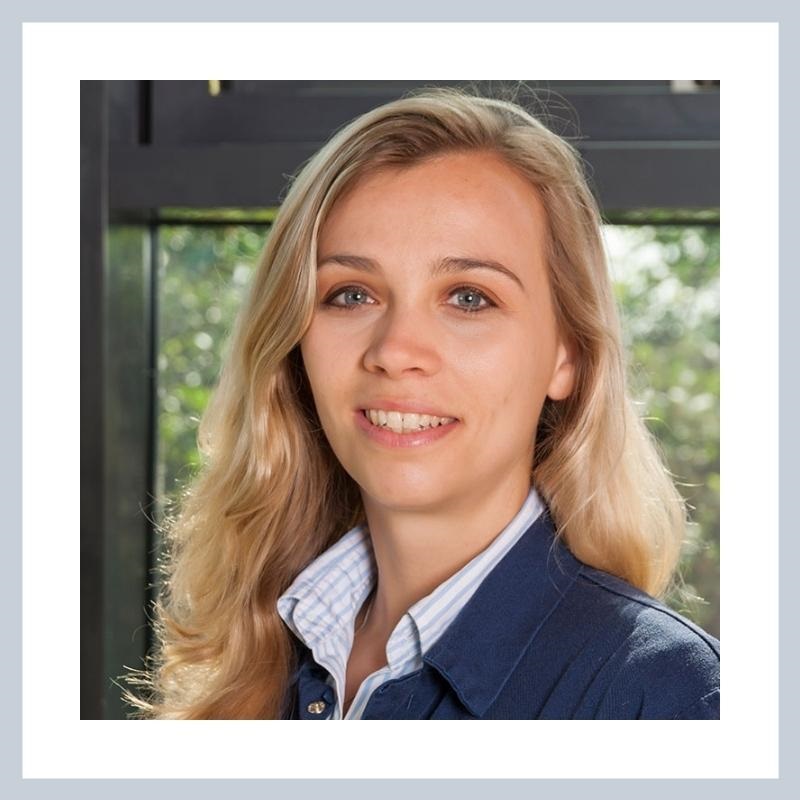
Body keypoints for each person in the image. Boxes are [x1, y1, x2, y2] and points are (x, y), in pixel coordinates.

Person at [125, 85, 720, 720]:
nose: (396, 349)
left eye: (469, 297)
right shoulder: (256, 657)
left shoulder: (668, 695)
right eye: (352, 294)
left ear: (565, 356)